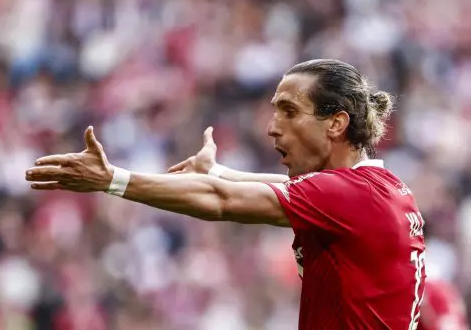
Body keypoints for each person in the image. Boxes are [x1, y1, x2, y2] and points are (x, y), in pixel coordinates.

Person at [25, 59, 426, 329]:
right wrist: (219, 170)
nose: (272, 127)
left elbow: (221, 200)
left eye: (289, 111)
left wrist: (112, 180)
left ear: (337, 123)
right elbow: (283, 188)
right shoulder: (375, 189)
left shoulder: (349, 196)